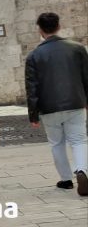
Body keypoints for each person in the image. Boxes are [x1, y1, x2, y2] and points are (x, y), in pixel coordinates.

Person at [25, 12, 88, 195]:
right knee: (78, 140)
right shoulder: (77, 49)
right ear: (58, 26)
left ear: (40, 30)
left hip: (49, 107)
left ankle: (66, 179)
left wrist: (33, 114)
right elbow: (86, 77)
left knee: (56, 143)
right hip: (75, 102)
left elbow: (32, 87)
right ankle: (82, 171)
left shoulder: (34, 56)